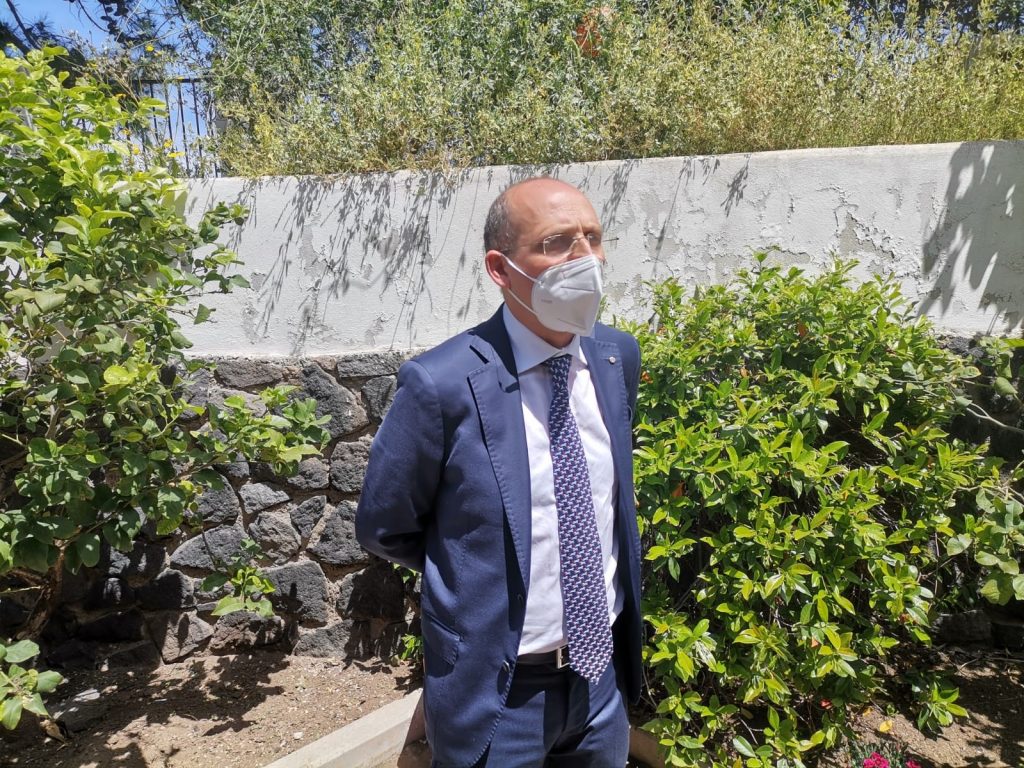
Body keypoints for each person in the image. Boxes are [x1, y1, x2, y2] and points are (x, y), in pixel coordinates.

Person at [356, 177, 642, 767]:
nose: (584, 259)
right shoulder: (441, 384)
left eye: (592, 238)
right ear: (500, 268)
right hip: (497, 697)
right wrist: (471, 573)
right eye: (556, 243)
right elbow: (385, 526)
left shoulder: (616, 358)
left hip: (599, 685)